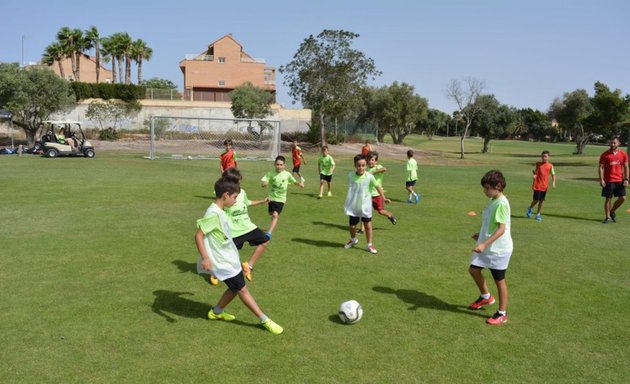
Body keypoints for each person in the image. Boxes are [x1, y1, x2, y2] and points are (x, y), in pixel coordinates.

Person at [195, 176, 283, 334]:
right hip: (222, 262)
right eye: (235, 197)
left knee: (235, 288)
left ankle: (216, 312)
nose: (236, 201)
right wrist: (206, 258)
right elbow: (199, 235)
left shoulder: (220, 211)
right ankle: (265, 320)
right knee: (242, 289)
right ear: (225, 195)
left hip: (229, 258)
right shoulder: (213, 214)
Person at [468, 170, 513, 325]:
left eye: (487, 188)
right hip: (488, 245)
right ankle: (486, 297)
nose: (484, 191)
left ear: (498, 186)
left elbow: (501, 229)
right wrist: (479, 234)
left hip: (498, 249)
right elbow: (490, 223)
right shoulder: (494, 199)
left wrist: (483, 244)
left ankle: (502, 313)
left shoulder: (501, 203)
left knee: (499, 280)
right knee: (474, 269)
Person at [221, 168, 270, 282]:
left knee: (265, 240)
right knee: (227, 255)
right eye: (238, 181)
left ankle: (248, 265)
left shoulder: (242, 192)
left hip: (248, 227)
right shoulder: (225, 195)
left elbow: (248, 203)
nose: (240, 183)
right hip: (234, 231)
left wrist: (263, 201)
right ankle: (216, 271)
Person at [343, 154, 387, 254]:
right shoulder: (350, 176)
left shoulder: (370, 177)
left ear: (366, 166)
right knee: (352, 226)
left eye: (363, 165)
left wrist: (384, 198)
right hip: (354, 205)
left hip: (366, 206)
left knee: (368, 226)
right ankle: (353, 240)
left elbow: (377, 187)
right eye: (359, 165)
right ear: (355, 166)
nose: (361, 168)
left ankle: (369, 245)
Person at [261, 155, 304, 239]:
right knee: (271, 213)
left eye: (281, 165)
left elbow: (293, 181)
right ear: (274, 164)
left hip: (281, 199)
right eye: (277, 164)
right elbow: (264, 181)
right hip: (271, 198)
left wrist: (299, 184)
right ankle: (273, 219)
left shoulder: (287, 174)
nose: (279, 166)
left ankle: (269, 233)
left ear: (284, 165)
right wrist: (264, 184)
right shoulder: (270, 173)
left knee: (275, 215)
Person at [599, 136, 629, 224]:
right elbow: (601, 167)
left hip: (619, 180)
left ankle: (612, 211)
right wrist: (601, 179)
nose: (612, 144)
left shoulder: (623, 154)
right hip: (608, 180)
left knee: (623, 198)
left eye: (614, 143)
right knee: (608, 199)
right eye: (611, 143)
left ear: (619, 143)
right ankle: (607, 217)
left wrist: (626, 179)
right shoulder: (605, 154)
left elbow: (626, 167)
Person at [366, 151, 397, 225]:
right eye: (369, 160)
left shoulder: (378, 167)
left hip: (377, 194)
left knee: (381, 211)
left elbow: (384, 169)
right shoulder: (366, 170)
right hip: (368, 194)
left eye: (372, 160)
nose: (370, 161)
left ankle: (390, 216)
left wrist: (373, 172)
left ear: (376, 161)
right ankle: (362, 229)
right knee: (365, 212)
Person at [526, 150, 556, 222]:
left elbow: (553, 174)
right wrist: (534, 175)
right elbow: (536, 172)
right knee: (536, 200)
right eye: (542, 156)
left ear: (548, 157)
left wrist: (553, 182)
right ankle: (530, 208)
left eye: (545, 156)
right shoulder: (538, 164)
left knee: (541, 201)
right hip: (537, 185)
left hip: (544, 186)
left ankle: (538, 214)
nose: (544, 158)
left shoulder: (550, 166)